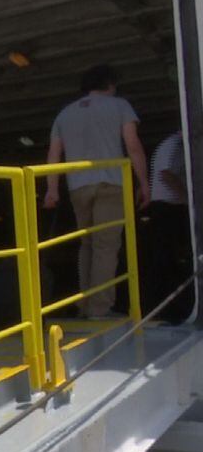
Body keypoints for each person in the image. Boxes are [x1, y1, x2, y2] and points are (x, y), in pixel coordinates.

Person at [43, 64, 149, 319]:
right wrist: (144, 183)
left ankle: (85, 304)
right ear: (110, 84)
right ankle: (100, 309)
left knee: (87, 245)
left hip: (78, 186)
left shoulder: (64, 114)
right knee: (106, 246)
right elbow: (132, 146)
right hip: (111, 182)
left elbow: (54, 154)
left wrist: (52, 189)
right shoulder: (120, 106)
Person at [145, 131, 191, 320]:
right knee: (167, 258)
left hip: (173, 208)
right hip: (166, 208)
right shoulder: (173, 145)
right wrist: (188, 198)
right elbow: (166, 174)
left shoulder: (178, 146)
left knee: (172, 257)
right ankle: (166, 308)